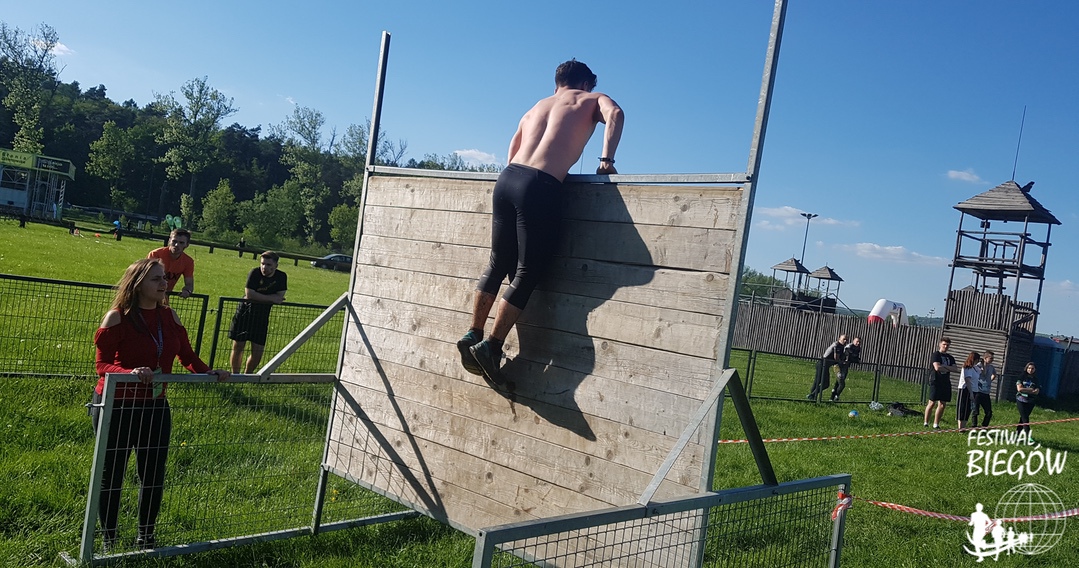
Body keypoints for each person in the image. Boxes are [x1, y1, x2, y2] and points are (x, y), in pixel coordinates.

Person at [456, 59, 624, 389]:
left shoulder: (536, 107)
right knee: (527, 272)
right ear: (585, 83)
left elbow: (514, 147)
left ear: (557, 83)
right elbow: (615, 114)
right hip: (540, 184)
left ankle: (473, 332)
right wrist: (606, 161)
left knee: (497, 262)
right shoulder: (590, 99)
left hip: (507, 179)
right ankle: (491, 347)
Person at [91, 258, 229, 550]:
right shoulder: (117, 317)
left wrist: (209, 372)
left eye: (164, 278)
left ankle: (146, 538)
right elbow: (102, 365)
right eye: (156, 279)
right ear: (138, 284)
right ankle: (109, 541)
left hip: (154, 406)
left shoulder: (169, 316)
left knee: (152, 475)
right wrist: (129, 372)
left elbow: (187, 355)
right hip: (117, 406)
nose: (164, 283)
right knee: (112, 476)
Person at [229, 251, 288, 374]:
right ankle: (235, 375)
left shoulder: (281, 277)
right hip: (245, 312)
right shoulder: (254, 273)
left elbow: (279, 297)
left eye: (268, 265)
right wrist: (270, 298)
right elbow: (249, 294)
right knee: (238, 346)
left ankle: (248, 376)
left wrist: (259, 297)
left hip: (262, 316)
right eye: (262, 264)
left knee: (258, 351)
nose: (264, 267)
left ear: (276, 266)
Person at [147, 229, 195, 299]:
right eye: (174, 241)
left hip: (165, 296)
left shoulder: (188, 261)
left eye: (181, 243)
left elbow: (189, 284)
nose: (176, 245)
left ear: (187, 245)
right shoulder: (156, 254)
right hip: (148, 294)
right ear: (169, 241)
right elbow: (147, 278)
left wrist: (187, 291)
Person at [925, 337, 959, 429]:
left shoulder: (950, 357)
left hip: (945, 381)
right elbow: (937, 367)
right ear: (940, 344)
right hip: (936, 380)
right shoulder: (936, 355)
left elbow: (955, 369)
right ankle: (926, 422)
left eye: (947, 345)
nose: (946, 346)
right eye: (944, 344)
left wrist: (944, 366)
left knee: (943, 404)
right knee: (932, 402)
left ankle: (936, 424)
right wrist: (947, 367)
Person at [807, 334, 847, 400]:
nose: (845, 341)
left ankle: (812, 396)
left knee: (821, 382)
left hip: (825, 365)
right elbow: (836, 358)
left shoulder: (841, 347)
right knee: (822, 383)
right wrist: (842, 362)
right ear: (839, 339)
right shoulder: (837, 345)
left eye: (846, 340)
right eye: (844, 339)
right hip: (822, 364)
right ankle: (812, 396)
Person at [970, 350, 997, 427]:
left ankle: (984, 426)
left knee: (989, 412)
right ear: (985, 358)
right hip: (978, 391)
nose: (992, 360)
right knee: (975, 411)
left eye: (993, 358)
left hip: (986, 392)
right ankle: (974, 426)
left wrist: (989, 381)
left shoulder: (991, 367)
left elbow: (994, 374)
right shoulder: (978, 366)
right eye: (991, 358)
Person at [830, 336, 861, 402]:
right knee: (841, 382)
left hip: (845, 366)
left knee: (838, 382)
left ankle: (832, 398)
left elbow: (855, 357)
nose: (858, 343)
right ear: (853, 341)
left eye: (859, 342)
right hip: (840, 365)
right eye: (857, 341)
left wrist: (857, 360)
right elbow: (847, 356)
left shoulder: (858, 348)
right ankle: (836, 396)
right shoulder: (849, 347)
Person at [1015, 362, 1040, 439]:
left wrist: (1026, 390)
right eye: (1029, 368)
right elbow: (1020, 389)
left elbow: (1037, 391)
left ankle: (1017, 435)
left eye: (1032, 368)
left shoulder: (1036, 379)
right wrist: (1031, 390)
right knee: (1025, 418)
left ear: (1035, 370)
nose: (1030, 370)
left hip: (1031, 401)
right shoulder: (1021, 377)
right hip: (1021, 399)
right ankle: (1028, 436)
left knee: (1023, 418)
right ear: (1026, 368)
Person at [956, 351, 980, 430]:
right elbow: (967, 380)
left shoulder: (975, 368)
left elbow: (982, 371)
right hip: (966, 389)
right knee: (963, 408)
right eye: (977, 360)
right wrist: (971, 393)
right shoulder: (967, 368)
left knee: (968, 409)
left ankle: (964, 426)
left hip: (974, 390)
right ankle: (960, 428)